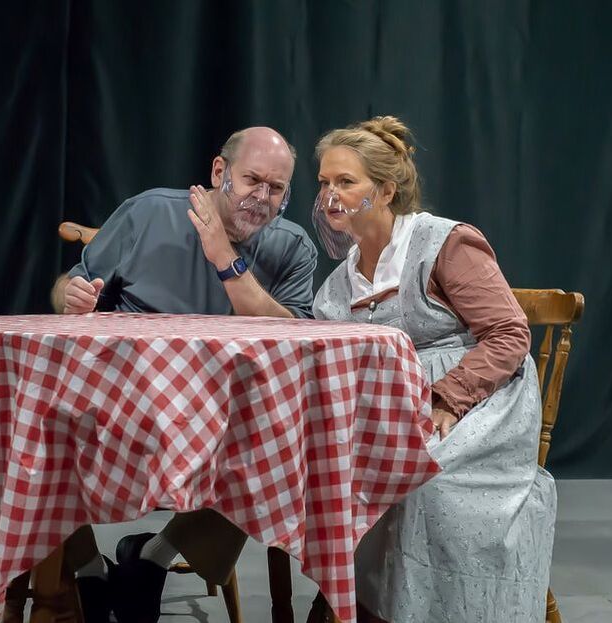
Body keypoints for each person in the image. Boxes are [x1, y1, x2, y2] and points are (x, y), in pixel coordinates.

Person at [50, 126, 318, 623]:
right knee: (39, 430)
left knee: (276, 445)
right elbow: (72, 283)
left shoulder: (292, 246)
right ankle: (89, 570)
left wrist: (225, 258)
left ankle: (153, 556)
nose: (261, 198)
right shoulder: (149, 211)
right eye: (251, 180)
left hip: (225, 424)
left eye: (275, 188)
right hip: (122, 408)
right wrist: (71, 297)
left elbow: (296, 337)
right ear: (219, 172)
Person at [309, 116, 556, 622]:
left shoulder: (442, 243)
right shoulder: (341, 281)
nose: (330, 196)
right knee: (331, 473)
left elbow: (509, 333)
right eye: (324, 182)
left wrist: (446, 398)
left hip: (478, 404)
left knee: (423, 481)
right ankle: (360, 605)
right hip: (391, 411)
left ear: (385, 191)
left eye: (346, 182)